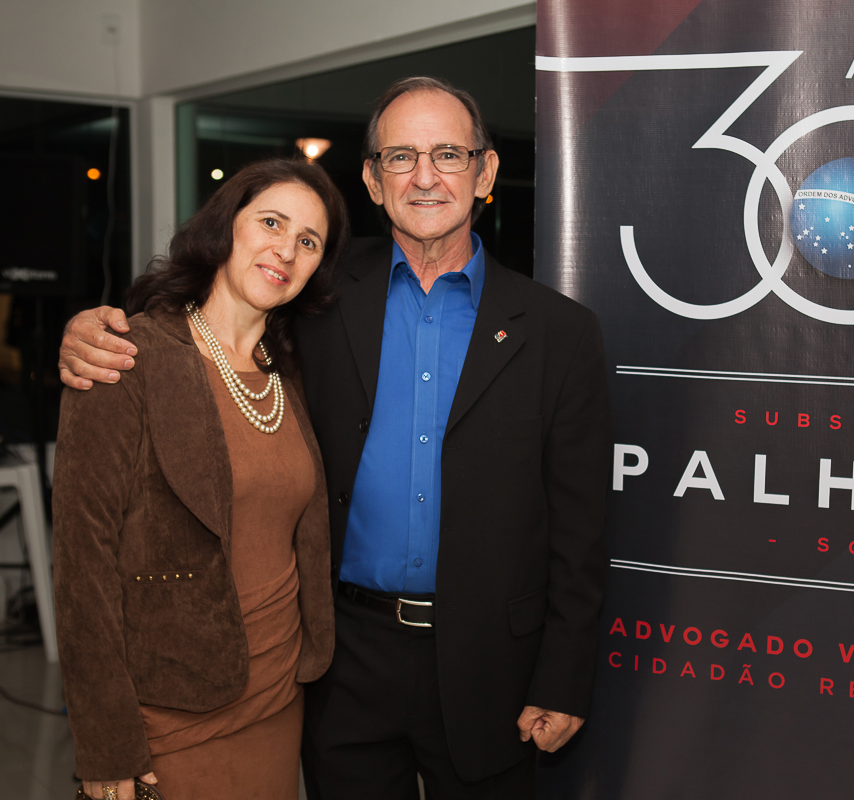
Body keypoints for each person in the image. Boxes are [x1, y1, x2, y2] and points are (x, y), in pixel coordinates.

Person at [59, 77, 612, 799]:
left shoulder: (561, 333)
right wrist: (88, 329)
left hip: (490, 665)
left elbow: (580, 528)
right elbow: (206, 325)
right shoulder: (312, 294)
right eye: (401, 156)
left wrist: (564, 677)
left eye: (448, 154)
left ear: (486, 172)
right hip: (337, 659)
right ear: (373, 182)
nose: (424, 176)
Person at [53, 157, 350, 800]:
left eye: (309, 241)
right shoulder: (127, 356)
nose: (286, 249)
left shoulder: (291, 369)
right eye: (271, 222)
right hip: (171, 716)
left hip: (279, 699)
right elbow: (82, 566)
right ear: (225, 226)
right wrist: (105, 742)